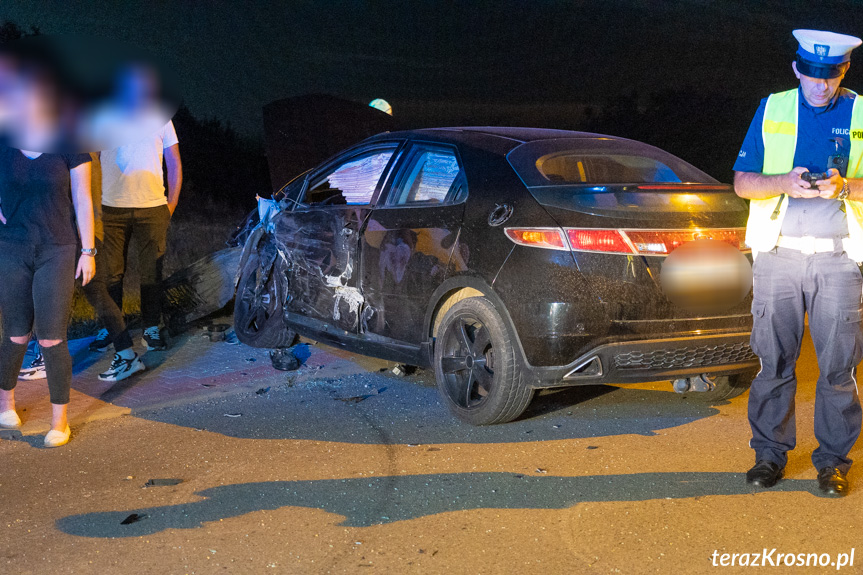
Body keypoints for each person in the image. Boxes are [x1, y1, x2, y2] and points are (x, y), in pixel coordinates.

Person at [734, 29, 863, 497]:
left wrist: (844, 187)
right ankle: (768, 457)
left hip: (838, 261)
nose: (820, 84)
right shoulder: (773, 107)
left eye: (830, 75)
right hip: (778, 256)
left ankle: (833, 463)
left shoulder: (862, 112)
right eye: (812, 73)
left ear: (844, 71)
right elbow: (743, 184)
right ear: (796, 69)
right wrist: (783, 182)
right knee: (774, 363)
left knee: (837, 368)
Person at [0, 146, 95, 447]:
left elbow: (82, 197)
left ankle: (59, 423)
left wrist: (88, 250)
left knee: (51, 338)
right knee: (15, 335)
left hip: (57, 249)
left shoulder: (70, 142)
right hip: (13, 248)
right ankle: (6, 405)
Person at [100, 118, 181, 351]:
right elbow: (90, 159)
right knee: (111, 273)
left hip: (153, 208)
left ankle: (151, 328)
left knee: (151, 272)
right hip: (110, 207)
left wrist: (171, 204)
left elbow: (174, 161)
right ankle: (112, 328)